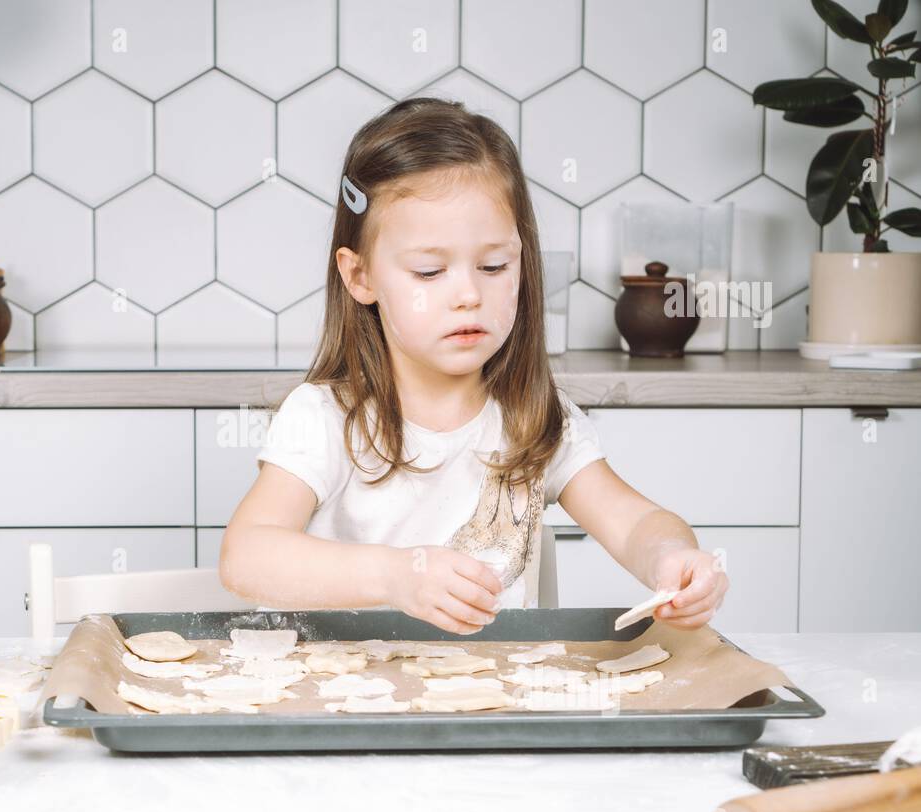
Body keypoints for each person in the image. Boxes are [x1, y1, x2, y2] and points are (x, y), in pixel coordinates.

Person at [219, 98, 727, 635]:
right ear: (361, 276)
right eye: (430, 271)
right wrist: (396, 576)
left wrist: (672, 558)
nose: (467, 294)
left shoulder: (534, 421)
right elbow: (246, 557)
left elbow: (637, 524)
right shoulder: (325, 419)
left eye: (493, 265)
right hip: (347, 703)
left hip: (490, 704)